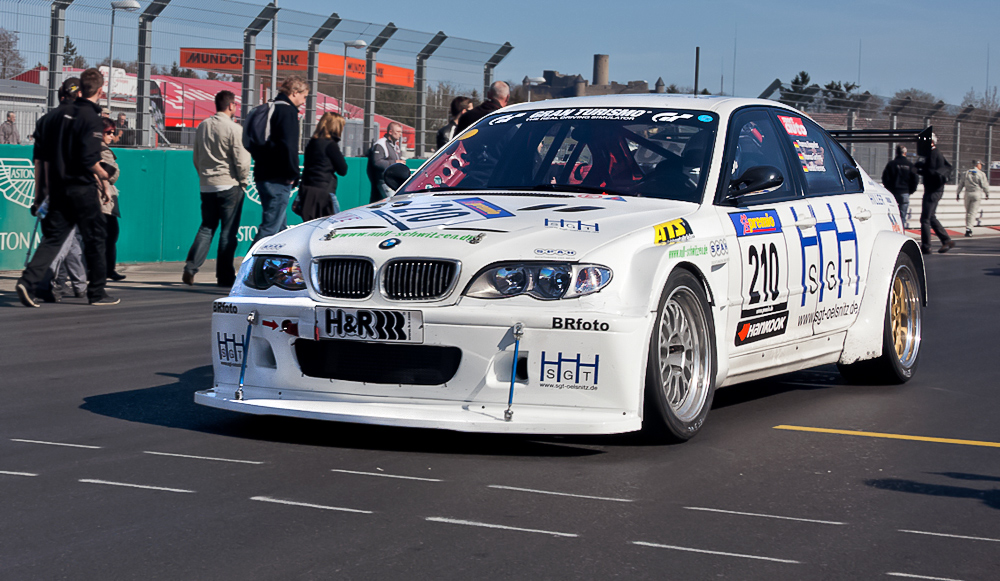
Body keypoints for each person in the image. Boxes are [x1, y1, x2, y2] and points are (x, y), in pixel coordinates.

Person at [15, 67, 117, 307]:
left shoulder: (51, 119)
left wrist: (40, 195)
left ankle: (27, 281)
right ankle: (97, 292)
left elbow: (41, 161)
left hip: (57, 188)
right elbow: (88, 159)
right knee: (96, 237)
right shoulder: (89, 117)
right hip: (81, 188)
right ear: (100, 90)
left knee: (53, 239)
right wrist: (105, 176)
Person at [183, 90, 251, 287]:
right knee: (228, 233)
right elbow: (242, 160)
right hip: (229, 184)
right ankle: (224, 276)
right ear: (231, 106)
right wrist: (244, 182)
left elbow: (196, 157)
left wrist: (204, 177)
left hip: (207, 185)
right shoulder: (234, 128)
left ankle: (190, 267)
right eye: (235, 104)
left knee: (206, 227)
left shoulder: (202, 126)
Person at [29, 78, 88, 302]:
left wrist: (38, 198)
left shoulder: (46, 121)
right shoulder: (78, 121)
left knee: (70, 241)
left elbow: (38, 162)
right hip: (68, 191)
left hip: (48, 190)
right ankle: (44, 282)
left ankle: (81, 284)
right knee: (61, 239)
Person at [250, 76, 308, 245]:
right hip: (279, 178)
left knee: (280, 229)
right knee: (270, 228)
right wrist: (293, 173)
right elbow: (289, 146)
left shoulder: (268, 108)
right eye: (304, 96)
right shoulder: (288, 112)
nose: (304, 101)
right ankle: (250, 267)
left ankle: (277, 268)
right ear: (294, 92)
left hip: (262, 174)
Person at [299, 112, 348, 221]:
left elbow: (307, 167)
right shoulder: (331, 145)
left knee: (310, 224)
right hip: (325, 190)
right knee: (332, 225)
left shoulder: (312, 142)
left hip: (308, 190)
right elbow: (343, 169)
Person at [916, 133, 954, 254]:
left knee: (925, 219)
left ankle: (926, 246)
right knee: (930, 217)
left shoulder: (933, 154)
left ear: (931, 142)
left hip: (933, 190)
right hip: (935, 190)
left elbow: (931, 172)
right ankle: (946, 240)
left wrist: (920, 169)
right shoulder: (935, 153)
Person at [99, 117, 125, 280]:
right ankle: (105, 270)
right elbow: (111, 174)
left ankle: (108, 269)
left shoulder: (102, 149)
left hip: (105, 199)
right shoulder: (101, 150)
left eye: (113, 133)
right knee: (108, 234)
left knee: (110, 234)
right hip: (103, 199)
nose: (111, 135)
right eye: (108, 132)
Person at [881, 145, 918, 229]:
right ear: (905, 153)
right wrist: (910, 191)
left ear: (896, 152)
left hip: (893, 193)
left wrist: (889, 189)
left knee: (891, 215)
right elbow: (915, 180)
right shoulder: (911, 165)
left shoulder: (891, 164)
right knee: (902, 217)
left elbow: (885, 178)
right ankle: (901, 231)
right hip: (905, 192)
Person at [366, 122, 403, 203]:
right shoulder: (381, 144)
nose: (400, 134)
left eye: (401, 132)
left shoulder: (396, 146)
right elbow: (377, 162)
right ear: (390, 132)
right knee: (395, 203)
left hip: (395, 182)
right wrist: (395, 162)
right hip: (384, 181)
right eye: (398, 132)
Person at [955, 159, 989, 237]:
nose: (981, 166)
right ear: (978, 164)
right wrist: (987, 194)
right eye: (981, 164)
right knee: (972, 213)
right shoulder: (981, 174)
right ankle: (969, 229)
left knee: (968, 213)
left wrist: (958, 193)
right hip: (977, 193)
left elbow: (961, 184)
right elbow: (984, 185)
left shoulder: (966, 173)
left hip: (967, 194)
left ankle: (968, 228)